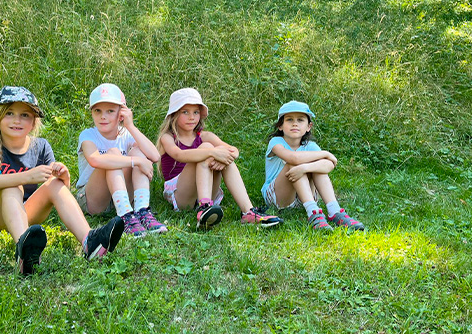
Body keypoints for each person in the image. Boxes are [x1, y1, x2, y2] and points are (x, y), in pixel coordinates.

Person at [0, 86, 124, 276]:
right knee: (12, 186)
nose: (17, 120)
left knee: (53, 184)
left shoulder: (40, 146)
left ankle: (90, 242)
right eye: (9, 113)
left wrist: (63, 177)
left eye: (25, 115)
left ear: (33, 122)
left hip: (23, 213)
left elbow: (58, 191)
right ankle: (23, 251)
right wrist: (26, 177)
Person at [156, 88, 283, 230]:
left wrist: (221, 156)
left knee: (221, 155)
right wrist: (212, 152)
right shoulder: (168, 137)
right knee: (207, 148)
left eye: (196, 112)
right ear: (174, 115)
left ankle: (248, 211)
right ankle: (204, 207)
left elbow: (234, 151)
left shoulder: (205, 136)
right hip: (181, 195)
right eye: (185, 112)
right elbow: (179, 155)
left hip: (207, 188)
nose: (191, 117)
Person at [76, 83, 166, 237]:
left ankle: (142, 210)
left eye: (110, 111)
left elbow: (155, 156)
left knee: (138, 151)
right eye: (98, 111)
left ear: (122, 113)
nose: (103, 116)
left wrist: (130, 126)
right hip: (94, 200)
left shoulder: (126, 134)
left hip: (122, 195)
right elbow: (95, 160)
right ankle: (125, 217)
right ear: (92, 113)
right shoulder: (88, 135)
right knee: (113, 154)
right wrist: (136, 162)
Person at [262, 100, 365, 232]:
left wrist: (305, 168)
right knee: (293, 164)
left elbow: (328, 165)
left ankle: (335, 211)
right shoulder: (276, 142)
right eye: (289, 120)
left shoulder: (310, 146)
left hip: (304, 196)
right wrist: (325, 153)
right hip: (279, 197)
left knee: (316, 167)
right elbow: (294, 158)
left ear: (308, 126)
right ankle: (313, 213)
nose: (295, 123)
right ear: (280, 126)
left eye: (300, 120)